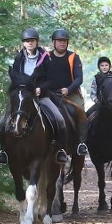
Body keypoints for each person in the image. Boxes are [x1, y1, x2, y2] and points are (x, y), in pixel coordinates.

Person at [0, 28, 68, 165]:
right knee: (2, 122)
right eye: (27, 41)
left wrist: (41, 88)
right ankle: (3, 151)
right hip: (23, 97)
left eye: (32, 41)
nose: (29, 43)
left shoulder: (46, 58)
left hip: (41, 96)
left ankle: (60, 151)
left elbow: (52, 80)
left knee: (59, 119)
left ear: (37, 42)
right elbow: (15, 78)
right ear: (23, 43)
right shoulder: (18, 58)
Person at [36, 28, 89, 156]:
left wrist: (68, 89)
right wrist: (38, 87)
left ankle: (81, 143)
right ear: (54, 42)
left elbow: (79, 78)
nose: (62, 43)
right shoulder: (46, 56)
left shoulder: (73, 57)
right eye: (59, 41)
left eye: (64, 41)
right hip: (48, 94)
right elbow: (38, 74)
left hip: (70, 94)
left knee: (80, 111)